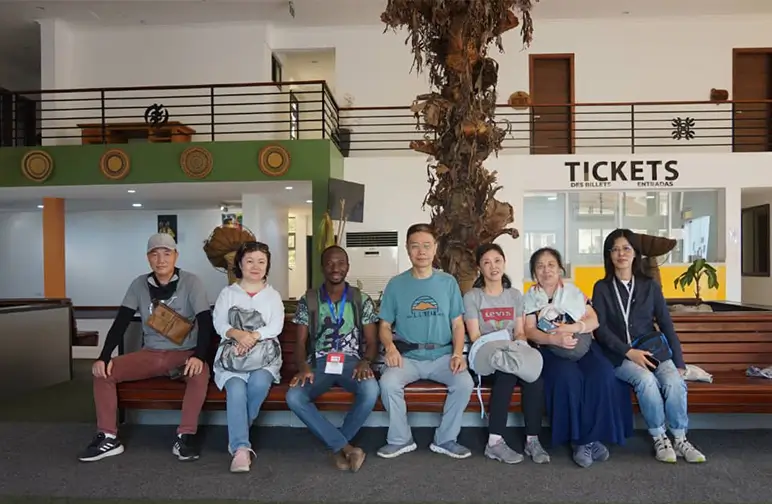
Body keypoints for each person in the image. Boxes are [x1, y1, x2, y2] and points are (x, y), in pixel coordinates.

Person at [78, 233, 213, 463]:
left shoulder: (192, 282)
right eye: (154, 254)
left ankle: (185, 436)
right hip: (150, 354)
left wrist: (199, 356)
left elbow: (205, 322)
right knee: (103, 372)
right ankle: (108, 437)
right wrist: (103, 356)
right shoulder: (138, 284)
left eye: (167, 253)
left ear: (176, 256)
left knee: (200, 373)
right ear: (148, 258)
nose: (161, 260)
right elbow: (121, 322)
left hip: (184, 355)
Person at [592, 229, 706, 464]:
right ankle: (659, 437)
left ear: (635, 253)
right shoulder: (602, 287)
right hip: (619, 355)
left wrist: (679, 362)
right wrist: (628, 352)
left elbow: (666, 323)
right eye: (615, 249)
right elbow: (600, 330)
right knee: (646, 381)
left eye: (626, 248)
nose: (621, 254)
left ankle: (680, 438)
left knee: (674, 381)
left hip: (652, 351)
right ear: (609, 255)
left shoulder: (649, 285)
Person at [523, 247, 633, 468]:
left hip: (583, 346)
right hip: (550, 350)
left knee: (602, 374)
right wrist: (554, 339)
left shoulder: (574, 293)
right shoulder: (530, 299)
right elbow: (529, 331)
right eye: (540, 266)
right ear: (534, 273)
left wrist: (572, 328)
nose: (546, 270)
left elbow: (594, 320)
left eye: (551, 265)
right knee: (568, 378)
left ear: (560, 269)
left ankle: (593, 437)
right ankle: (580, 441)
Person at [377, 223, 475, 460]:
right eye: (415, 246)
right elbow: (384, 326)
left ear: (435, 248)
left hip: (443, 356)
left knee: (464, 383)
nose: (421, 251)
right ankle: (400, 439)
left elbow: (457, 324)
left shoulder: (448, 283)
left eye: (426, 246)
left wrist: (457, 354)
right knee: (388, 383)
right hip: (408, 358)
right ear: (407, 249)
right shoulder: (396, 284)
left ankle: (446, 439)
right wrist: (390, 347)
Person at [286, 245, 380, 472]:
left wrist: (365, 361)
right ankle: (346, 448)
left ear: (348, 267)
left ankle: (338, 447)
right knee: (294, 397)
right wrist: (303, 367)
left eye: (340, 263)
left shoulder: (361, 299)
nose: (335, 268)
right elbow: (300, 342)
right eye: (329, 263)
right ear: (322, 267)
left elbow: (372, 342)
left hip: (352, 363)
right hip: (319, 363)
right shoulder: (309, 299)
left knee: (371, 390)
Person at [463, 244, 550, 464]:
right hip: (486, 356)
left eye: (497, 261)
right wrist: (502, 350)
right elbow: (475, 336)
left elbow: (519, 332)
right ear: (479, 267)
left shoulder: (514, 295)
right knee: (507, 375)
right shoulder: (473, 297)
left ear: (504, 263)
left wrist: (521, 349)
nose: (493, 266)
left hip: (511, 352)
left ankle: (532, 440)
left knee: (533, 378)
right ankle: (494, 442)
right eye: (486, 262)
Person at [212, 241, 285, 473]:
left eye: (261, 262)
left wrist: (252, 336)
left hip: (265, 356)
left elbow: (276, 326)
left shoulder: (273, 296)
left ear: (267, 266)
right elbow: (219, 323)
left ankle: (239, 431)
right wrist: (238, 335)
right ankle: (241, 449)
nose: (256, 266)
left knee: (259, 383)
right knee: (236, 390)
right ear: (240, 264)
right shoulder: (228, 293)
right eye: (250, 261)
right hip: (232, 356)